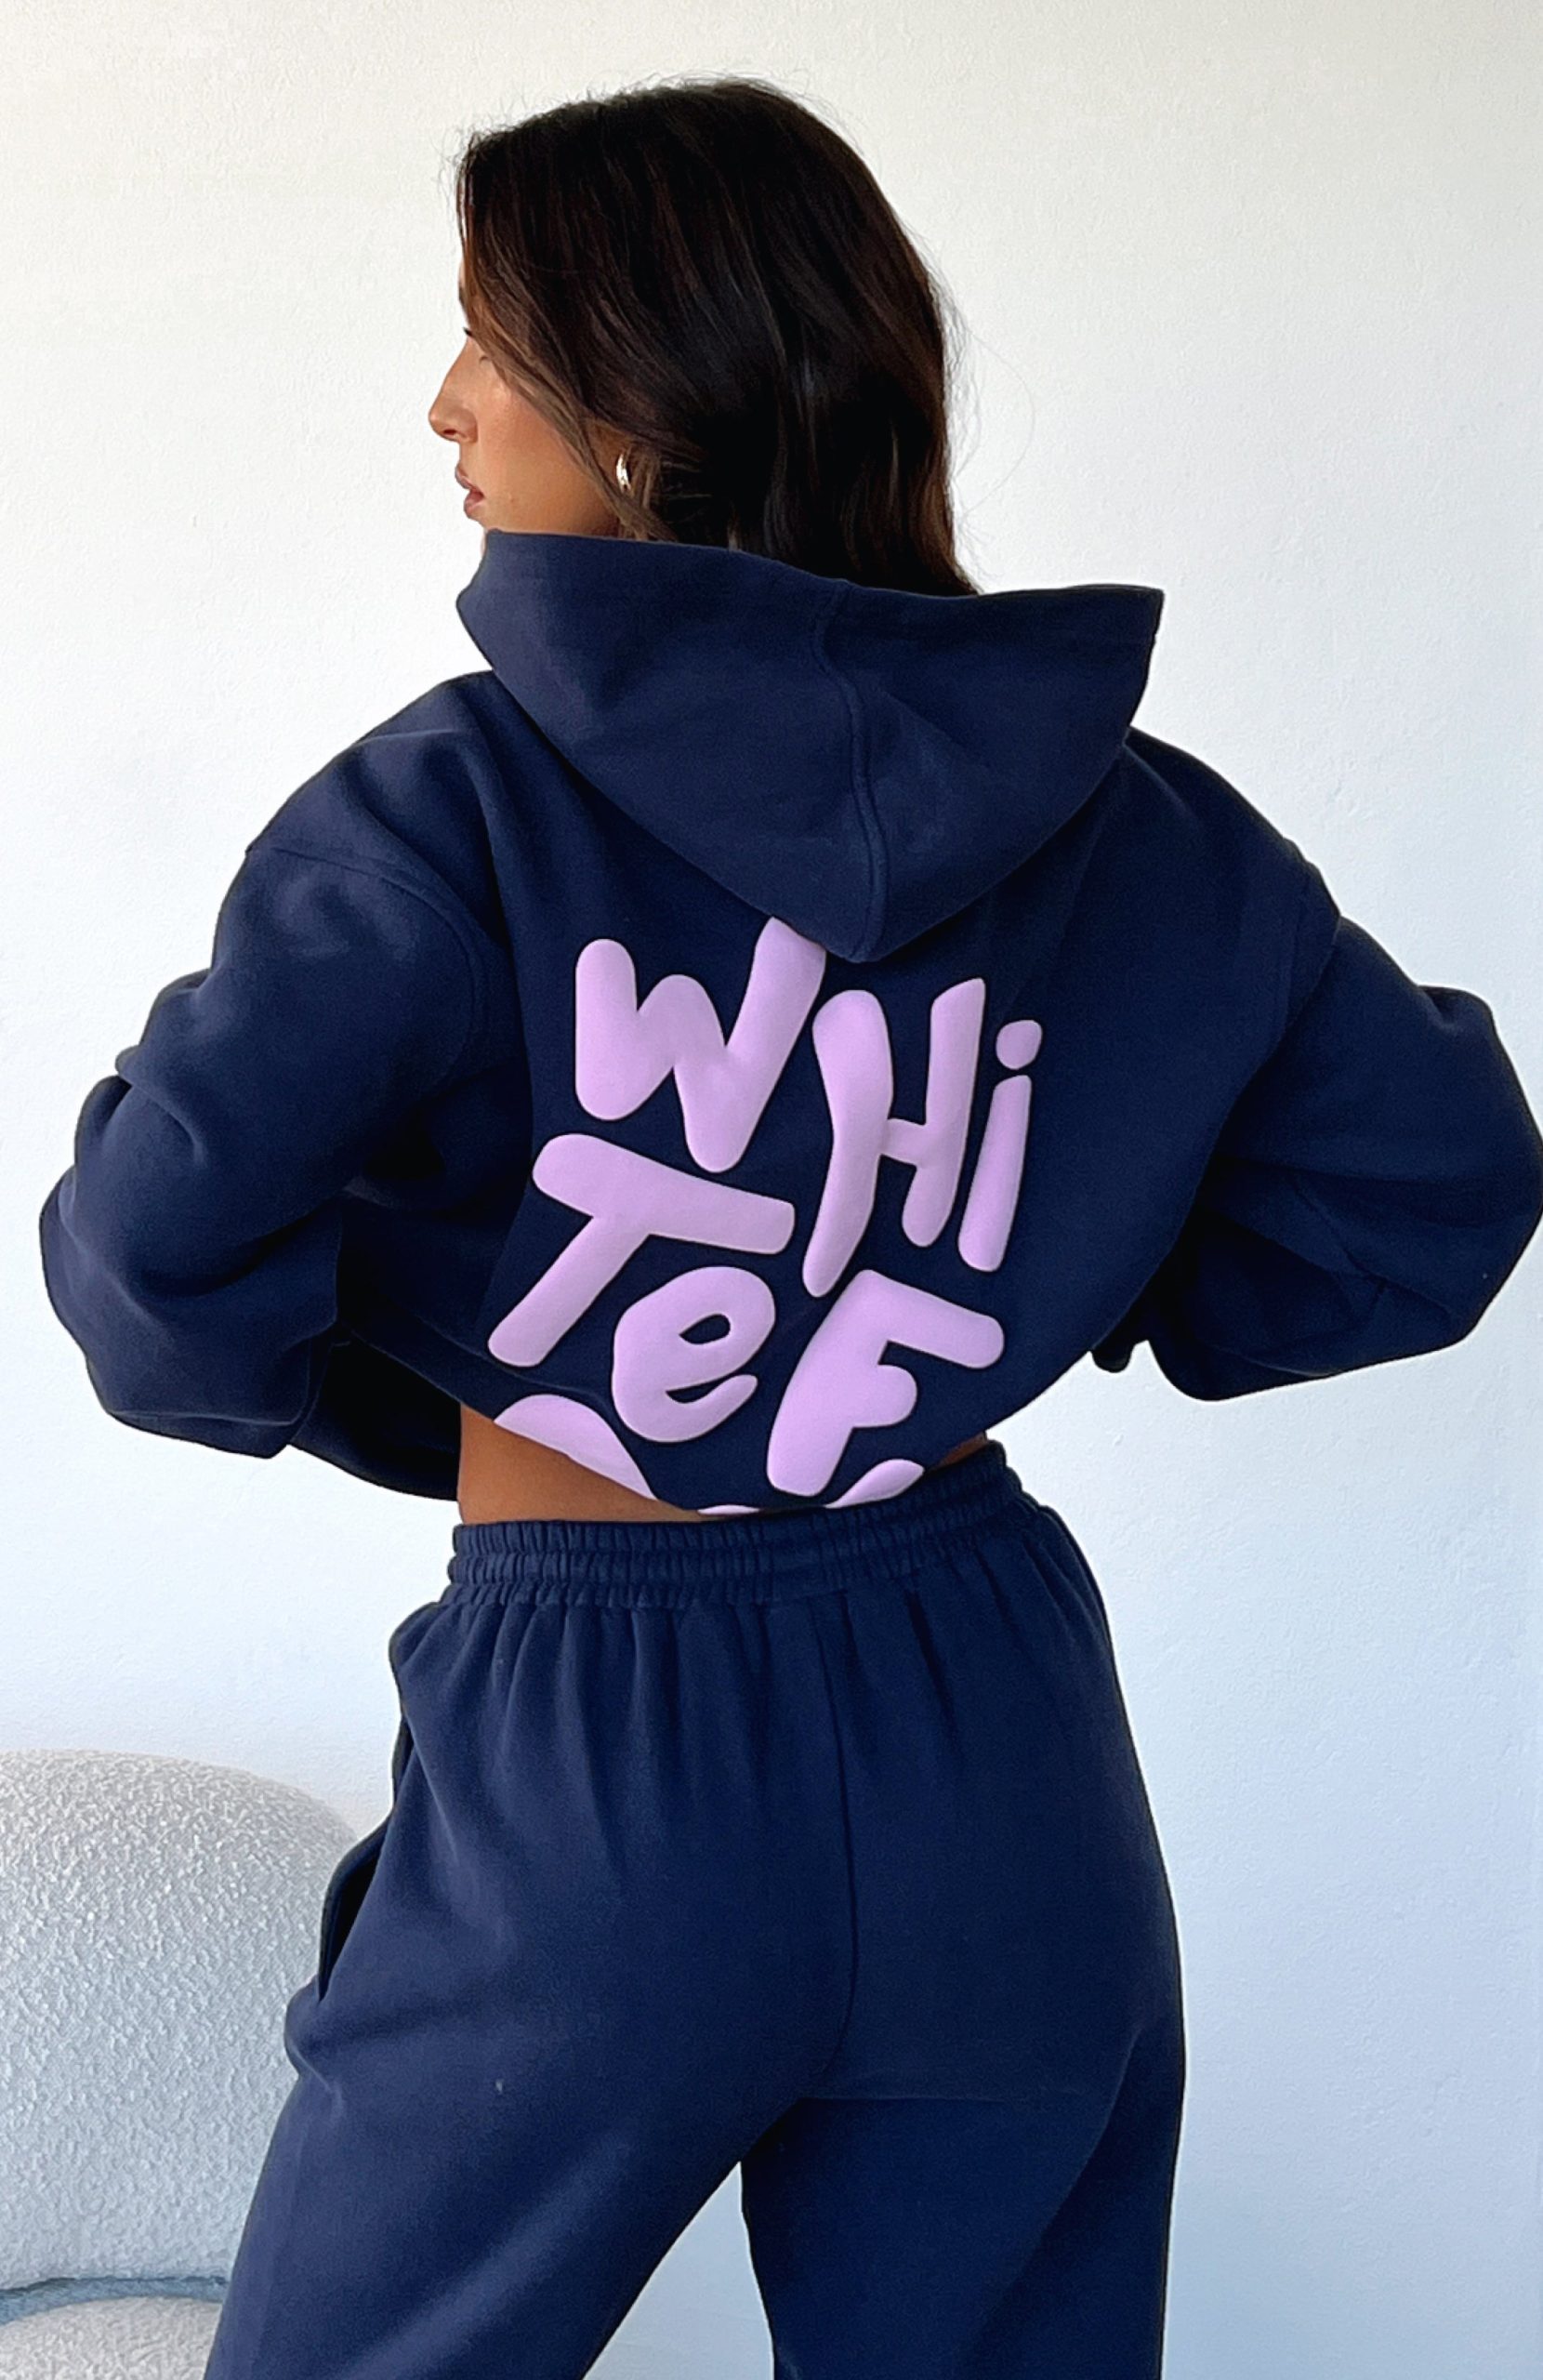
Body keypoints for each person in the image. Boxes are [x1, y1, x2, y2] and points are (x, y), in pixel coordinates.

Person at [36, 72, 1543, 2380]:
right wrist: (1034, 1249)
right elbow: (1432, 1182)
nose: (444, 403)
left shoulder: (452, 809)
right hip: (996, 1721)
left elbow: (154, 1257)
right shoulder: (1145, 832)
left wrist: (438, 1380)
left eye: (490, 341)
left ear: (642, 416)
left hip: (596, 1740)